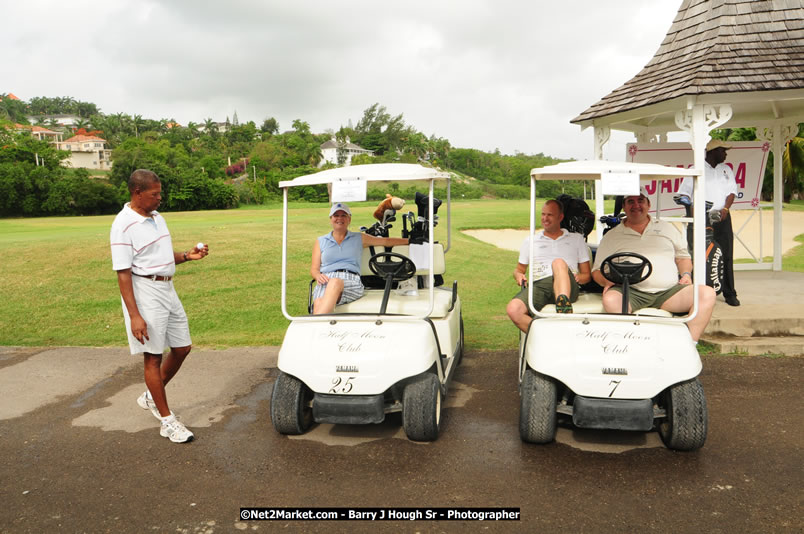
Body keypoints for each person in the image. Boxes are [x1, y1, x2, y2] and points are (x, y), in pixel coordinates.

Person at [110, 169, 209, 443]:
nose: (160, 198)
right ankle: (167, 421)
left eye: (160, 192)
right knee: (152, 357)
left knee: (182, 348)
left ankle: (151, 395)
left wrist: (188, 256)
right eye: (155, 194)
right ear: (137, 193)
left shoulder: (157, 218)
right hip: (145, 292)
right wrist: (134, 316)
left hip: (168, 288)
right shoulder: (123, 225)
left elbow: (162, 257)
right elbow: (123, 273)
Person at [591, 187, 715, 342]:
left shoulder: (666, 228)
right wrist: (607, 281)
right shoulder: (612, 236)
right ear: (624, 207)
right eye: (630, 201)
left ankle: (689, 343)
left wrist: (686, 274)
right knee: (611, 300)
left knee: (707, 294)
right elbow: (596, 271)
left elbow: (683, 257)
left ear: (648, 205)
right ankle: (628, 343)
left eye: (640, 200)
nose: (636, 205)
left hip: (668, 293)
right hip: (631, 292)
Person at [506, 199, 592, 332]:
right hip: (541, 285)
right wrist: (518, 275)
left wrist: (579, 278)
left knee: (558, 263)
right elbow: (519, 270)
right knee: (513, 309)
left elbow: (587, 275)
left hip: (568, 284)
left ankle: (563, 308)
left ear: (560, 217)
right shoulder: (530, 240)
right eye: (543, 214)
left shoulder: (576, 239)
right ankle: (551, 335)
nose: (545, 218)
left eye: (550, 215)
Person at [311, 202, 408, 314]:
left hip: (350, 280)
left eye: (343, 215)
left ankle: (316, 328)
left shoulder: (359, 238)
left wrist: (410, 241)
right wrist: (317, 276)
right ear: (330, 219)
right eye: (336, 215)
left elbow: (385, 241)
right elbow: (314, 269)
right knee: (318, 302)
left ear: (349, 219)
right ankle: (326, 329)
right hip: (325, 281)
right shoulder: (321, 241)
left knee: (334, 283)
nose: (339, 218)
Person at [679, 138, 740, 306]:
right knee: (699, 255)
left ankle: (729, 293)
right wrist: (695, 216)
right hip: (702, 218)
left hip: (723, 217)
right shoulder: (695, 169)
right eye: (723, 150)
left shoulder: (726, 169)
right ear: (713, 151)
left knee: (726, 254)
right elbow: (685, 195)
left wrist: (726, 209)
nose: (725, 153)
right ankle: (698, 291)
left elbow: (732, 192)